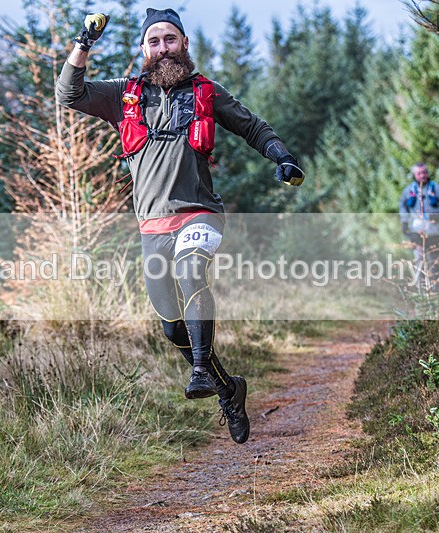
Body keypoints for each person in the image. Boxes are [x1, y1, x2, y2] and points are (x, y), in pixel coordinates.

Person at [57, 8, 304, 444]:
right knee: (172, 328)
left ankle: (200, 372)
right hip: (153, 225)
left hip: (200, 212)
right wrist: (84, 43)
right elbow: (69, 94)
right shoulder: (123, 95)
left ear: (185, 44)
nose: (163, 48)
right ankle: (228, 389)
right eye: (154, 42)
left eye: (170, 39)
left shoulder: (207, 91)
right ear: (143, 49)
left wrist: (282, 157)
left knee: (191, 270)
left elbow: (253, 127)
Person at [399, 162, 439, 291]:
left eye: (424, 172)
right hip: (416, 233)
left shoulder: (436, 188)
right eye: (419, 173)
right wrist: (404, 222)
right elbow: (402, 207)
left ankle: (435, 292)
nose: (422, 175)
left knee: (434, 263)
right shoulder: (409, 190)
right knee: (419, 263)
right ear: (414, 175)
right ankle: (421, 293)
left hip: (434, 232)